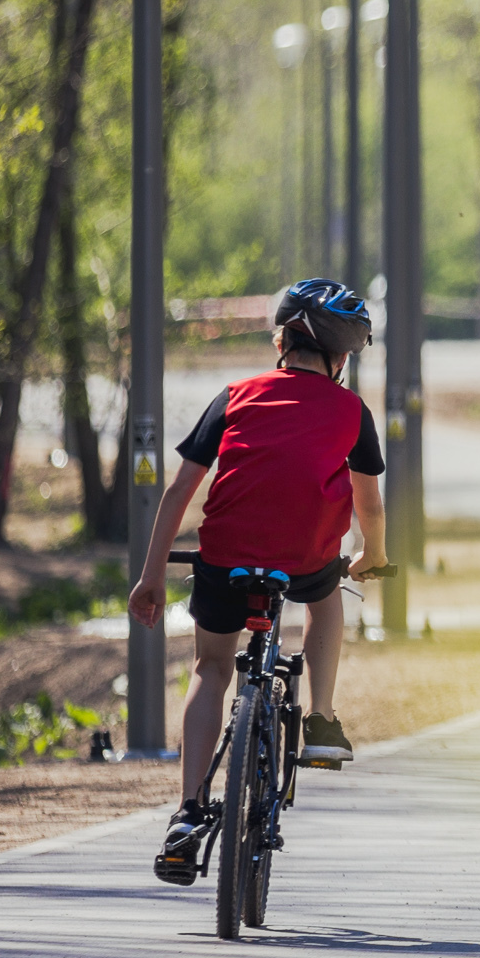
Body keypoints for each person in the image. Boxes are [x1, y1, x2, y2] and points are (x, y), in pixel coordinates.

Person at [125, 278, 388, 886]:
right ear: (340, 357)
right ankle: (321, 718)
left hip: (223, 559)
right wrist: (372, 555)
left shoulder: (235, 394)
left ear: (280, 340)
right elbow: (368, 505)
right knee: (325, 600)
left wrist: (150, 577)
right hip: (304, 560)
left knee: (211, 670)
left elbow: (178, 491)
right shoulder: (353, 412)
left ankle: (188, 813)